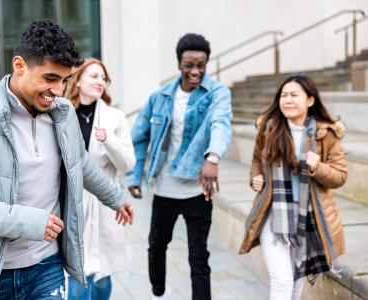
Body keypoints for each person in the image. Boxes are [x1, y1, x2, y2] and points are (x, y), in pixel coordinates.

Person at [0, 19, 134, 300]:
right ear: (19, 65)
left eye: (64, 80)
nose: (59, 91)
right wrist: (29, 222)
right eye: (50, 79)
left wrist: (115, 197)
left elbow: (80, 163)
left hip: (46, 266)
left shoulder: (63, 114)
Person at [127, 33, 232, 300]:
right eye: (189, 65)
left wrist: (213, 157)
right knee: (156, 246)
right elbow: (140, 137)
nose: (195, 71)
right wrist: (135, 175)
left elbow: (221, 123)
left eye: (201, 65)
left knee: (199, 256)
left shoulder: (218, 93)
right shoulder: (160, 96)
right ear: (179, 64)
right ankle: (159, 293)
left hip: (198, 190)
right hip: (164, 188)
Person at [239, 75, 347, 300]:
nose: (287, 100)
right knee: (281, 280)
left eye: (294, 95)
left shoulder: (326, 134)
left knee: (296, 282)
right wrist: (256, 177)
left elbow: (340, 177)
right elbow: (257, 160)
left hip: (308, 219)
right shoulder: (268, 129)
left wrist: (319, 167)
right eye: (283, 95)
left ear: (310, 100)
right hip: (273, 216)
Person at [64, 58, 136, 300]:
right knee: (78, 275)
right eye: (94, 76)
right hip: (72, 200)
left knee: (102, 277)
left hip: (104, 200)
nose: (100, 82)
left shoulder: (114, 116)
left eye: (103, 78)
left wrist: (108, 141)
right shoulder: (63, 113)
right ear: (79, 79)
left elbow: (127, 163)